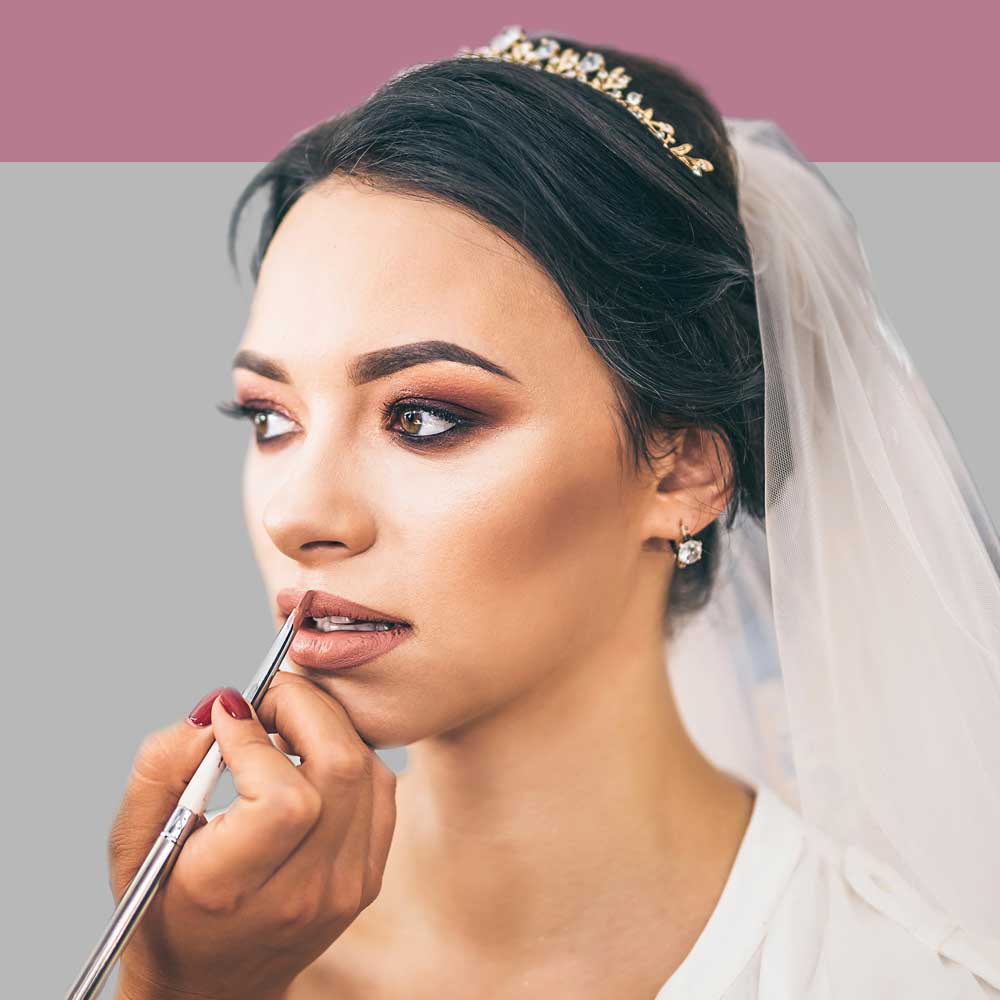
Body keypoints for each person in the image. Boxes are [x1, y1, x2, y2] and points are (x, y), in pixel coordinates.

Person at [106, 26, 1000, 999]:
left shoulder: (894, 977)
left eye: (423, 416)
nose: (300, 516)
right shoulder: (224, 949)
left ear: (681, 469)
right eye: (272, 418)